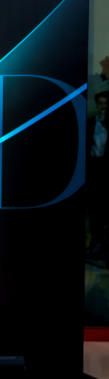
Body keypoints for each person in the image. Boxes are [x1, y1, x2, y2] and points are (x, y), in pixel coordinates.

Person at [89, 90, 109, 259]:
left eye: (106, 103)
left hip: (106, 169)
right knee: (94, 206)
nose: (103, 106)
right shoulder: (91, 123)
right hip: (94, 168)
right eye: (100, 103)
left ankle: (104, 245)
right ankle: (96, 243)